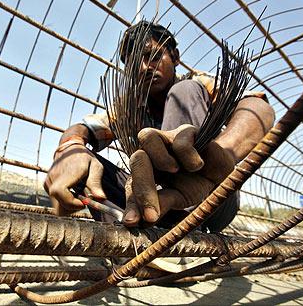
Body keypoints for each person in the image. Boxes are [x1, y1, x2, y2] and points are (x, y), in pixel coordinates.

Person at [44, 21, 275, 232]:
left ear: (174, 56)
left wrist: (219, 156)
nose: (144, 68)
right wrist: (70, 149)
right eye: (135, 64)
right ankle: (132, 246)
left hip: (213, 199)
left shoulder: (197, 84)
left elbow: (258, 108)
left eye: (153, 56)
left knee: (183, 91)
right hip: (154, 205)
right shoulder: (128, 107)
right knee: (83, 161)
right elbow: (85, 127)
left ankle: (187, 223)